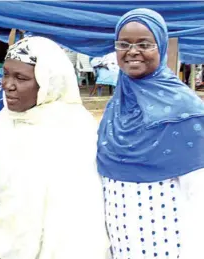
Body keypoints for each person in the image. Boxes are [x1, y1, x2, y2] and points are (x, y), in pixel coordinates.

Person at [0, 36, 109, 259]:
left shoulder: (75, 133)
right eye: (5, 73)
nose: (7, 85)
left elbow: (78, 220)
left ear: (48, 83)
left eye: (21, 77)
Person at [97, 9, 204, 259]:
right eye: (123, 44)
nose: (132, 51)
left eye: (144, 44)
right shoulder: (117, 106)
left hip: (171, 243)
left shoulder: (185, 109)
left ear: (162, 46)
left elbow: (199, 196)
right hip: (120, 240)